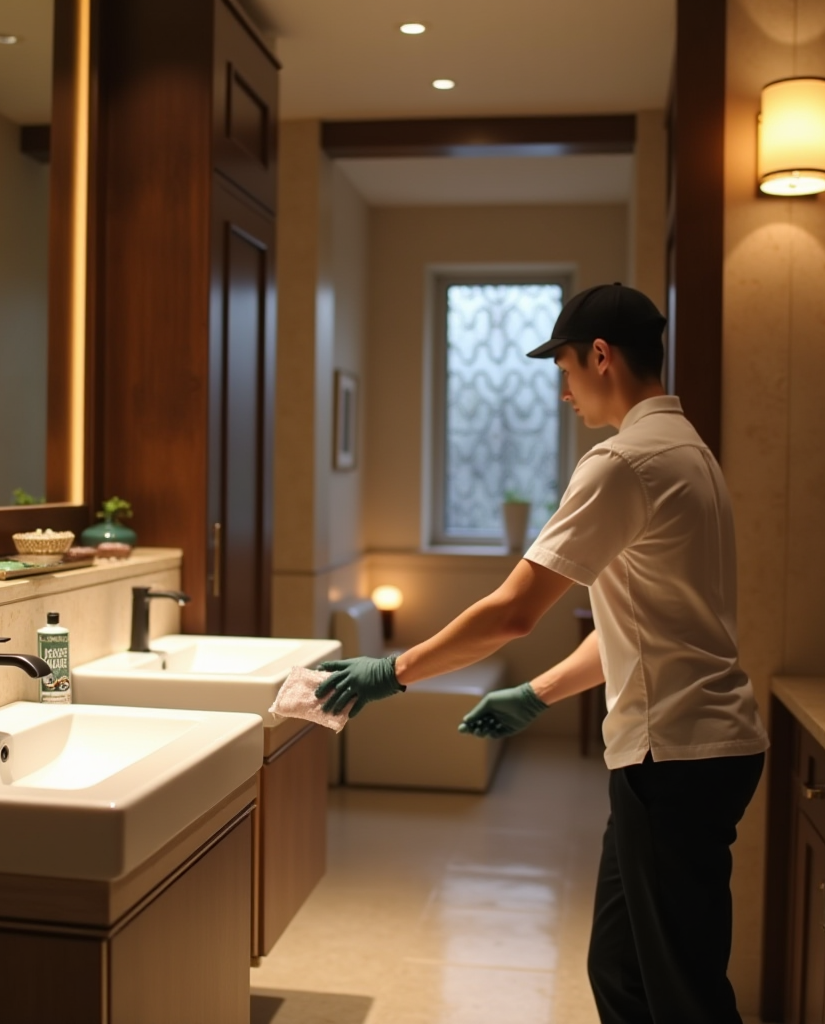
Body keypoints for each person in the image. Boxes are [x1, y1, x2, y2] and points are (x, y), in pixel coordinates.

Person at [315, 282, 769, 1024]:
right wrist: (536, 696)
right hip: (696, 750)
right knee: (621, 972)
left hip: (675, 759)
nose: (564, 393)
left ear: (600, 356)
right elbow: (646, 632)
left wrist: (393, 671)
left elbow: (512, 611)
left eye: (564, 371)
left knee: (682, 992)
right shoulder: (692, 453)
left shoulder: (624, 462)